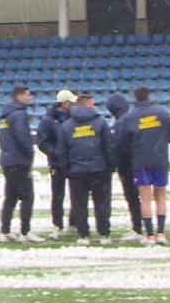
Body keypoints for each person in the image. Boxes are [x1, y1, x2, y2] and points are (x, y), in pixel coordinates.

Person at [119, 86, 170, 246]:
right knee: (161, 196)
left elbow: (125, 143)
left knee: (145, 198)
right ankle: (161, 233)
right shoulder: (162, 113)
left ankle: (149, 235)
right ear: (150, 96)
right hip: (160, 160)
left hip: (140, 162)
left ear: (135, 98)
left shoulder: (130, 117)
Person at [59, 92, 116, 245]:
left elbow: (62, 151)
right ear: (88, 105)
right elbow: (108, 147)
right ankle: (104, 234)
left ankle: (83, 235)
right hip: (99, 169)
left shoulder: (67, 126)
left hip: (77, 171)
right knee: (102, 202)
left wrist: (66, 171)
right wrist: (111, 166)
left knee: (79, 204)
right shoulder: (100, 123)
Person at [0, 85, 44, 243]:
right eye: (27, 95)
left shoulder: (6, 114)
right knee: (27, 196)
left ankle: (5, 231)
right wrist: (30, 153)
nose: (29, 97)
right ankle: (25, 232)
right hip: (19, 161)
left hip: (7, 160)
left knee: (10, 197)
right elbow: (22, 137)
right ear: (19, 96)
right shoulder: (19, 115)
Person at [37, 89, 75, 240]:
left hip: (73, 162)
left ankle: (74, 223)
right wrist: (56, 153)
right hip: (57, 163)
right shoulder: (48, 120)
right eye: (71, 102)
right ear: (64, 103)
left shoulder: (74, 117)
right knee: (58, 195)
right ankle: (57, 225)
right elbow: (42, 142)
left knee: (76, 194)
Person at [106, 93, 143, 242]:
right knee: (143, 195)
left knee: (132, 196)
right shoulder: (134, 119)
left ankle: (137, 227)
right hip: (140, 163)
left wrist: (114, 163)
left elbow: (119, 147)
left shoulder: (120, 124)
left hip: (127, 167)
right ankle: (145, 225)